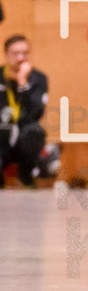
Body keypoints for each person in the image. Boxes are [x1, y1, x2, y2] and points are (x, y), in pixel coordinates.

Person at [0, 36, 48, 188]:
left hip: (23, 134)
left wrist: (23, 84)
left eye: (25, 53)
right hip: (1, 135)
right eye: (16, 53)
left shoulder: (38, 78)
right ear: (6, 54)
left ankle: (26, 175)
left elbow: (36, 114)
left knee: (35, 131)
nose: (21, 58)